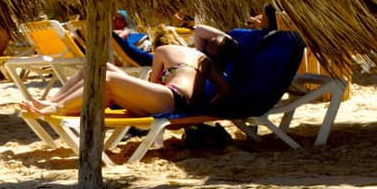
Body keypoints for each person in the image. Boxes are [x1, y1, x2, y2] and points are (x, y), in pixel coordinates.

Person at [21, 26, 232, 118]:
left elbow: (154, 82)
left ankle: (57, 106)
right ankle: (52, 101)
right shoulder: (206, 61)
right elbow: (225, 91)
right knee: (95, 69)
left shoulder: (164, 50)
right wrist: (206, 107)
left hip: (172, 98)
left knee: (106, 77)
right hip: (176, 100)